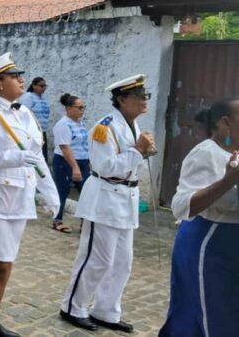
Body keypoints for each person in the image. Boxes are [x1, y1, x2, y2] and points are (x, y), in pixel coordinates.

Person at [0, 53, 59, 337]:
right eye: (15, 76)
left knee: (5, 266)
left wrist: (51, 194)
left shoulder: (24, 114)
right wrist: (10, 157)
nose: (21, 80)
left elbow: (36, 157)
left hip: (18, 199)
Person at [59, 74, 155, 333]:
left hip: (126, 200)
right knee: (97, 258)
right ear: (123, 100)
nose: (145, 100)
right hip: (105, 198)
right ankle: (73, 307)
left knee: (123, 261)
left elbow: (131, 161)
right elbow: (104, 166)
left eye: (146, 95)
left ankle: (106, 311)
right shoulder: (106, 126)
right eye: (139, 96)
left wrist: (141, 150)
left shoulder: (133, 126)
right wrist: (137, 151)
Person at [159, 97, 239, 336]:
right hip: (208, 242)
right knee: (210, 315)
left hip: (231, 243)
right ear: (225, 122)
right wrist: (227, 182)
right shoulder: (206, 153)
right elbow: (182, 205)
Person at [50, 93, 90, 233]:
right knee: (63, 190)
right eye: (78, 107)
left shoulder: (81, 122)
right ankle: (57, 220)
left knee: (87, 192)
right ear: (68, 108)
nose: (81, 110)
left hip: (83, 160)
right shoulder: (63, 124)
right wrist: (75, 167)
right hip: (65, 161)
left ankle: (85, 223)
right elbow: (65, 147)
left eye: (83, 107)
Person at [20, 77, 50, 160]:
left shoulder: (44, 98)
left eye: (45, 86)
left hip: (42, 131)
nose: (44, 88)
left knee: (43, 155)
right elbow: (24, 114)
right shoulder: (28, 97)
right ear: (34, 86)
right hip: (32, 132)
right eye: (41, 86)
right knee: (35, 155)